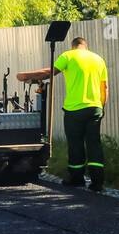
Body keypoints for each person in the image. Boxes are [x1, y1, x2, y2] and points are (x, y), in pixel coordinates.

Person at [18, 36, 108, 192]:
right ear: (85, 46)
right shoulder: (98, 59)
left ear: (73, 46)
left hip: (74, 110)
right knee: (94, 144)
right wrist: (101, 108)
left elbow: (49, 72)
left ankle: (77, 179)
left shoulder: (68, 55)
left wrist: (25, 76)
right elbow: (104, 88)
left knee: (75, 144)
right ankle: (97, 183)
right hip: (94, 108)